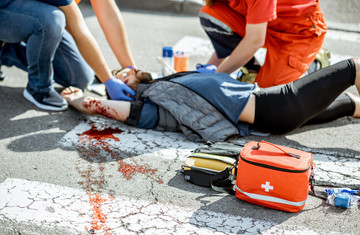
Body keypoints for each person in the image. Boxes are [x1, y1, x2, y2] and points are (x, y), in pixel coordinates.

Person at [61, 58, 360, 142]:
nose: (126, 71)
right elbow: (105, 108)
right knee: (353, 68)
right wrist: (81, 99)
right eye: (119, 75)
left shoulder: (169, 83)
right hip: (277, 106)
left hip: (271, 113)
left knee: (349, 104)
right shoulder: (152, 104)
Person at [0, 0, 135, 111]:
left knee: (80, 77)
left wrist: (130, 68)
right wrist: (108, 80)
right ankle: (39, 88)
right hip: (8, 11)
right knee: (52, 19)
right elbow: (79, 30)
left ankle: (5, 51)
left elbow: (109, 16)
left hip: (33, 12)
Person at [198, 0, 327, 88]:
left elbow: (255, 40)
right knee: (210, 15)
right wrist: (209, 68)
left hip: (298, 32)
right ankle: (253, 70)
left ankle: (313, 62)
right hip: (263, 26)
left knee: (269, 97)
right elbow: (224, 32)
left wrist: (215, 78)